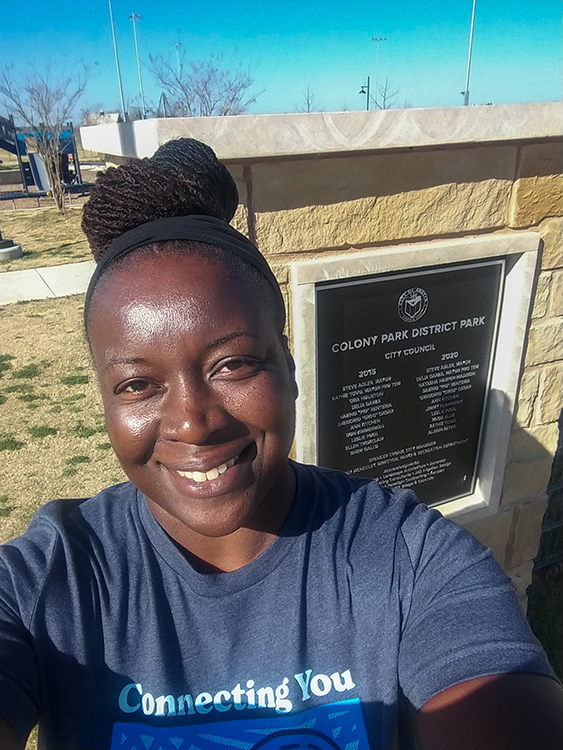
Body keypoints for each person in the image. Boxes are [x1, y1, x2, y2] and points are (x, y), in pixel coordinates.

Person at [1, 138, 562, 750]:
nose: (193, 423)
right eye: (137, 384)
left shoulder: (412, 561)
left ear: (289, 367)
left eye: (233, 364)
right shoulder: (52, 582)